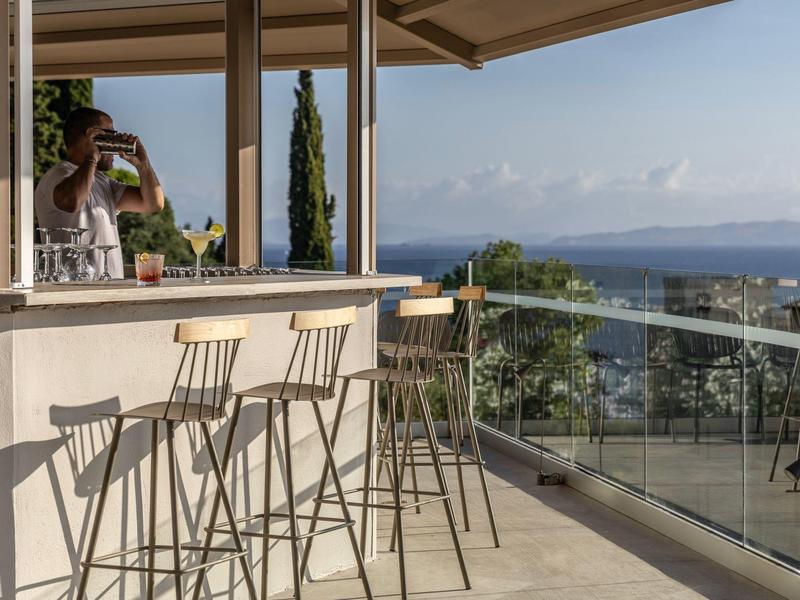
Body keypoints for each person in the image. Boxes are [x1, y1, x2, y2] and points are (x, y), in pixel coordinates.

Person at [34, 107, 164, 279]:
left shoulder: (103, 181)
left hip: (109, 291)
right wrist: (91, 157)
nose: (115, 143)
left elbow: (153, 204)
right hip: (71, 293)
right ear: (91, 136)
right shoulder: (57, 176)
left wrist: (143, 164)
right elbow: (72, 201)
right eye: (109, 135)